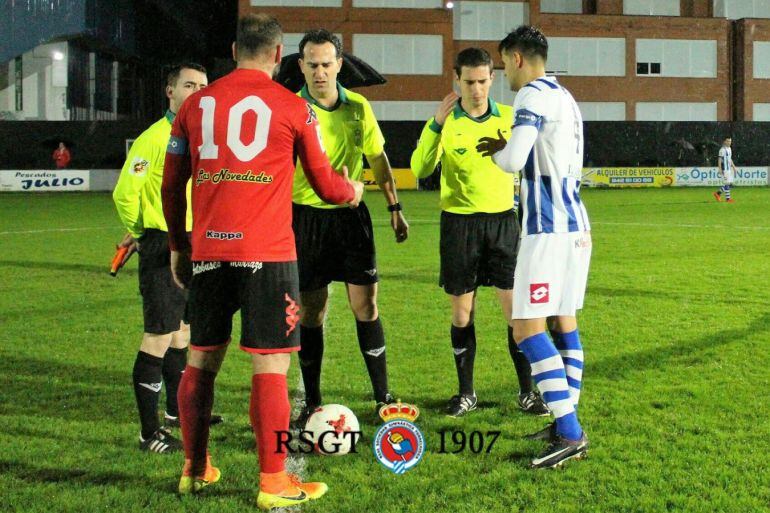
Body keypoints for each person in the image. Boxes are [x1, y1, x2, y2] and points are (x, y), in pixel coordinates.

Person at [161, 14, 364, 509]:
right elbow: (324, 185)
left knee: (201, 360)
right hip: (269, 257)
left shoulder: (195, 106)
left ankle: (194, 468)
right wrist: (354, 191)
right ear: (280, 56)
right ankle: (273, 483)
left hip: (210, 250)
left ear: (233, 49)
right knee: (270, 366)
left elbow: (171, 186)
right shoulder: (295, 108)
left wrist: (178, 245)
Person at [477, 26, 590, 469]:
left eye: (504, 63)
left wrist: (498, 153)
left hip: (546, 230)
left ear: (518, 58)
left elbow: (512, 161)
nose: (504, 72)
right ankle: (566, 419)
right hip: (576, 227)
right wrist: (510, 146)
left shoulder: (530, 96)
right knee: (565, 320)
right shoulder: (565, 96)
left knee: (525, 328)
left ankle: (570, 431)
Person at [410, 47, 545, 418]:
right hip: (459, 225)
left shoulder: (510, 116)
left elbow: (531, 160)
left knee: (516, 314)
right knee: (462, 314)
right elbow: (420, 168)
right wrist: (435, 125)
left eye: (483, 81)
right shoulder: (445, 121)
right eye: (469, 82)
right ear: (457, 80)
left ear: (492, 79)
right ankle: (466, 392)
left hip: (503, 223)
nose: (476, 89)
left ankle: (527, 392)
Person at [291, 29, 408, 427]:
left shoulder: (358, 107)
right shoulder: (290, 109)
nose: (320, 72)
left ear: (340, 65)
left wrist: (394, 205)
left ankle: (382, 395)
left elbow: (377, 158)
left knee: (367, 305)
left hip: (351, 219)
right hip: (305, 219)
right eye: (312, 64)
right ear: (301, 65)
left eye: (327, 63)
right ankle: (312, 399)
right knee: (312, 311)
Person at [113, 63, 222, 454]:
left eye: (203, 86)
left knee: (183, 332)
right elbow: (125, 193)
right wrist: (143, 233)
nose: (197, 91)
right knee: (159, 335)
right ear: (170, 91)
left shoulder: (201, 136)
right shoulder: (154, 138)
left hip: (198, 243)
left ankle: (177, 414)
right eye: (188, 85)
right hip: (165, 243)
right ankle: (149, 433)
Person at [713, 137, 736, 203]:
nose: (729, 142)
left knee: (729, 184)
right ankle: (727, 199)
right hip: (724, 169)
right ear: (724, 141)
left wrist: (734, 167)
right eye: (728, 141)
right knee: (727, 184)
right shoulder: (722, 150)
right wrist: (720, 169)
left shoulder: (730, 149)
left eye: (730, 141)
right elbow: (719, 160)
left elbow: (730, 159)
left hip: (728, 169)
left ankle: (718, 193)